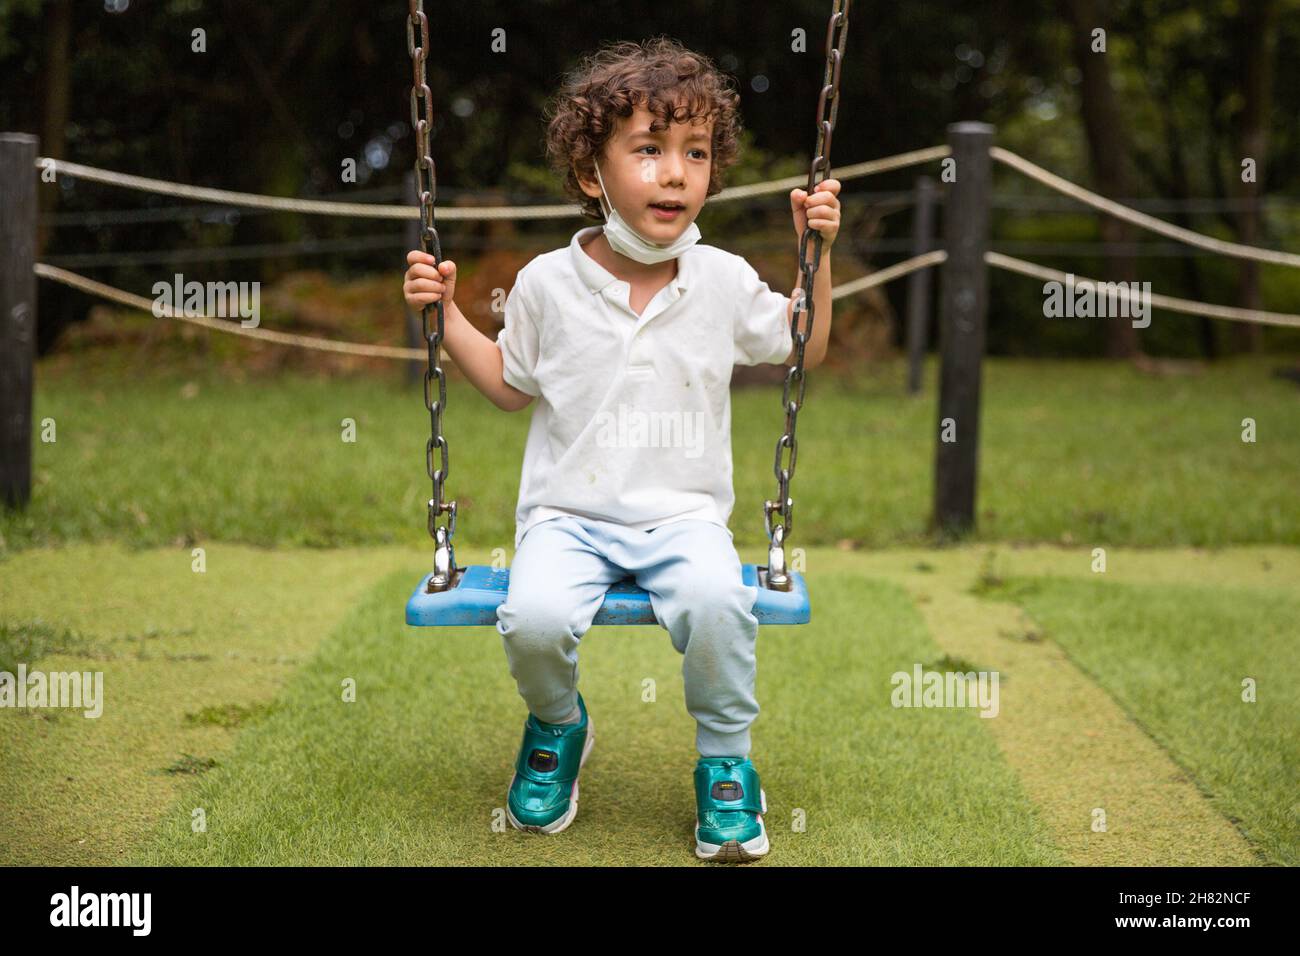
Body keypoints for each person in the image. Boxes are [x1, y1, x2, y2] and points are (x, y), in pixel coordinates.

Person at [402, 36, 840, 862]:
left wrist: (815, 257)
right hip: (568, 516)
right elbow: (507, 384)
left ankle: (725, 764)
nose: (675, 172)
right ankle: (559, 727)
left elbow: (803, 346)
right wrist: (448, 315)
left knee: (720, 608)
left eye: (696, 153)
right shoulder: (545, 285)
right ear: (589, 175)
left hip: (684, 519)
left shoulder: (721, 279)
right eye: (648, 150)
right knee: (531, 620)